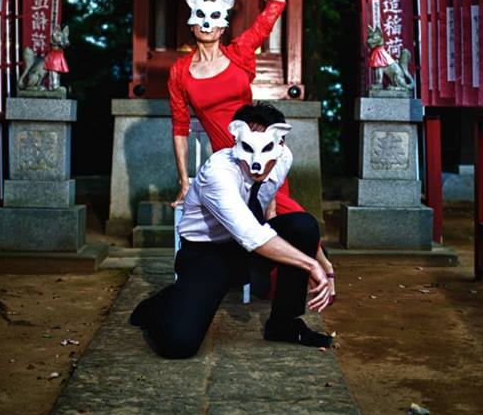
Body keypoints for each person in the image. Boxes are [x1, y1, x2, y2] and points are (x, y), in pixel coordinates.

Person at [167, 0, 337, 301]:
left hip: (262, 149)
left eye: (215, 19)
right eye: (201, 18)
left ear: (223, 26)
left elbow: (275, 5)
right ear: (192, 24)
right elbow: (179, 126)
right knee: (263, 215)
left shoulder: (240, 54)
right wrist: (183, 181)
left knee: (283, 208)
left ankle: (317, 270)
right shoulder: (180, 71)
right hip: (227, 162)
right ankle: (316, 268)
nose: (207, 24)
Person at [130, 103, 333, 358]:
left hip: (247, 252)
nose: (257, 163)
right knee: (178, 345)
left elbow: (265, 207)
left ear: (280, 144)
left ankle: (284, 324)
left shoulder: (284, 158)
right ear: (236, 139)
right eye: (248, 147)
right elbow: (251, 234)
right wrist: (310, 264)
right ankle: (161, 305)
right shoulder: (218, 173)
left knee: (303, 226)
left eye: (267, 148)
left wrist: (321, 263)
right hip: (206, 256)